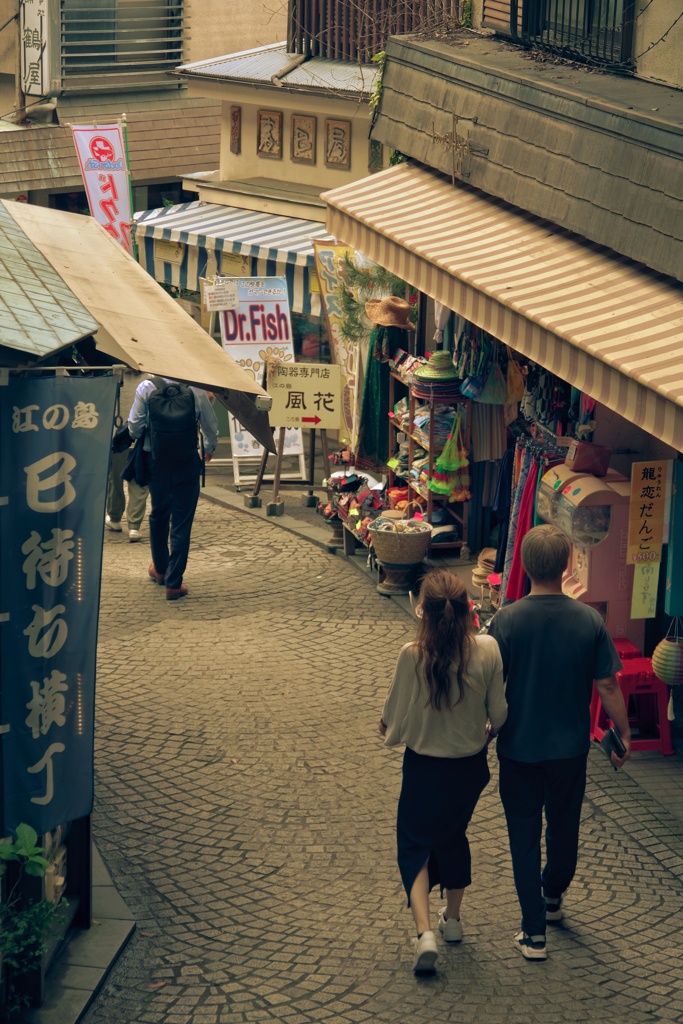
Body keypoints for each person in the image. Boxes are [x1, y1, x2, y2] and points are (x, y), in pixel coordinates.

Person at [487, 524, 631, 962]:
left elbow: (489, 683)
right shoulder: (589, 619)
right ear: (568, 564)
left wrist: (483, 729)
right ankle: (553, 892)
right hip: (570, 749)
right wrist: (622, 733)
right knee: (564, 827)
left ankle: (534, 933)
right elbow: (607, 683)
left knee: (523, 835)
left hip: (518, 748)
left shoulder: (507, 620)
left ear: (525, 565)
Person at [379, 570, 507, 975]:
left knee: (415, 843)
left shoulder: (411, 654)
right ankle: (451, 921)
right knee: (452, 836)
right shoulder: (487, 650)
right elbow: (500, 714)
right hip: (468, 768)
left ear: (425, 613)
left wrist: (387, 727)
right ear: (468, 609)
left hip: (424, 767)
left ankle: (424, 935)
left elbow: (391, 715)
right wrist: (488, 728)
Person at [128, 377, 218, 600]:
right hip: (186, 462)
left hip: (156, 461)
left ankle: (160, 569)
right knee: (182, 520)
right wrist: (209, 448)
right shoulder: (196, 388)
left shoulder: (146, 387)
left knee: (159, 513)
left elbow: (134, 428)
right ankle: (174, 583)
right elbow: (210, 426)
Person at [105, 371, 150, 542]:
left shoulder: (111, 375)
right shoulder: (148, 380)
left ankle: (115, 518)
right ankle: (134, 526)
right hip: (140, 437)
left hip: (117, 436)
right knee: (138, 481)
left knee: (114, 479)